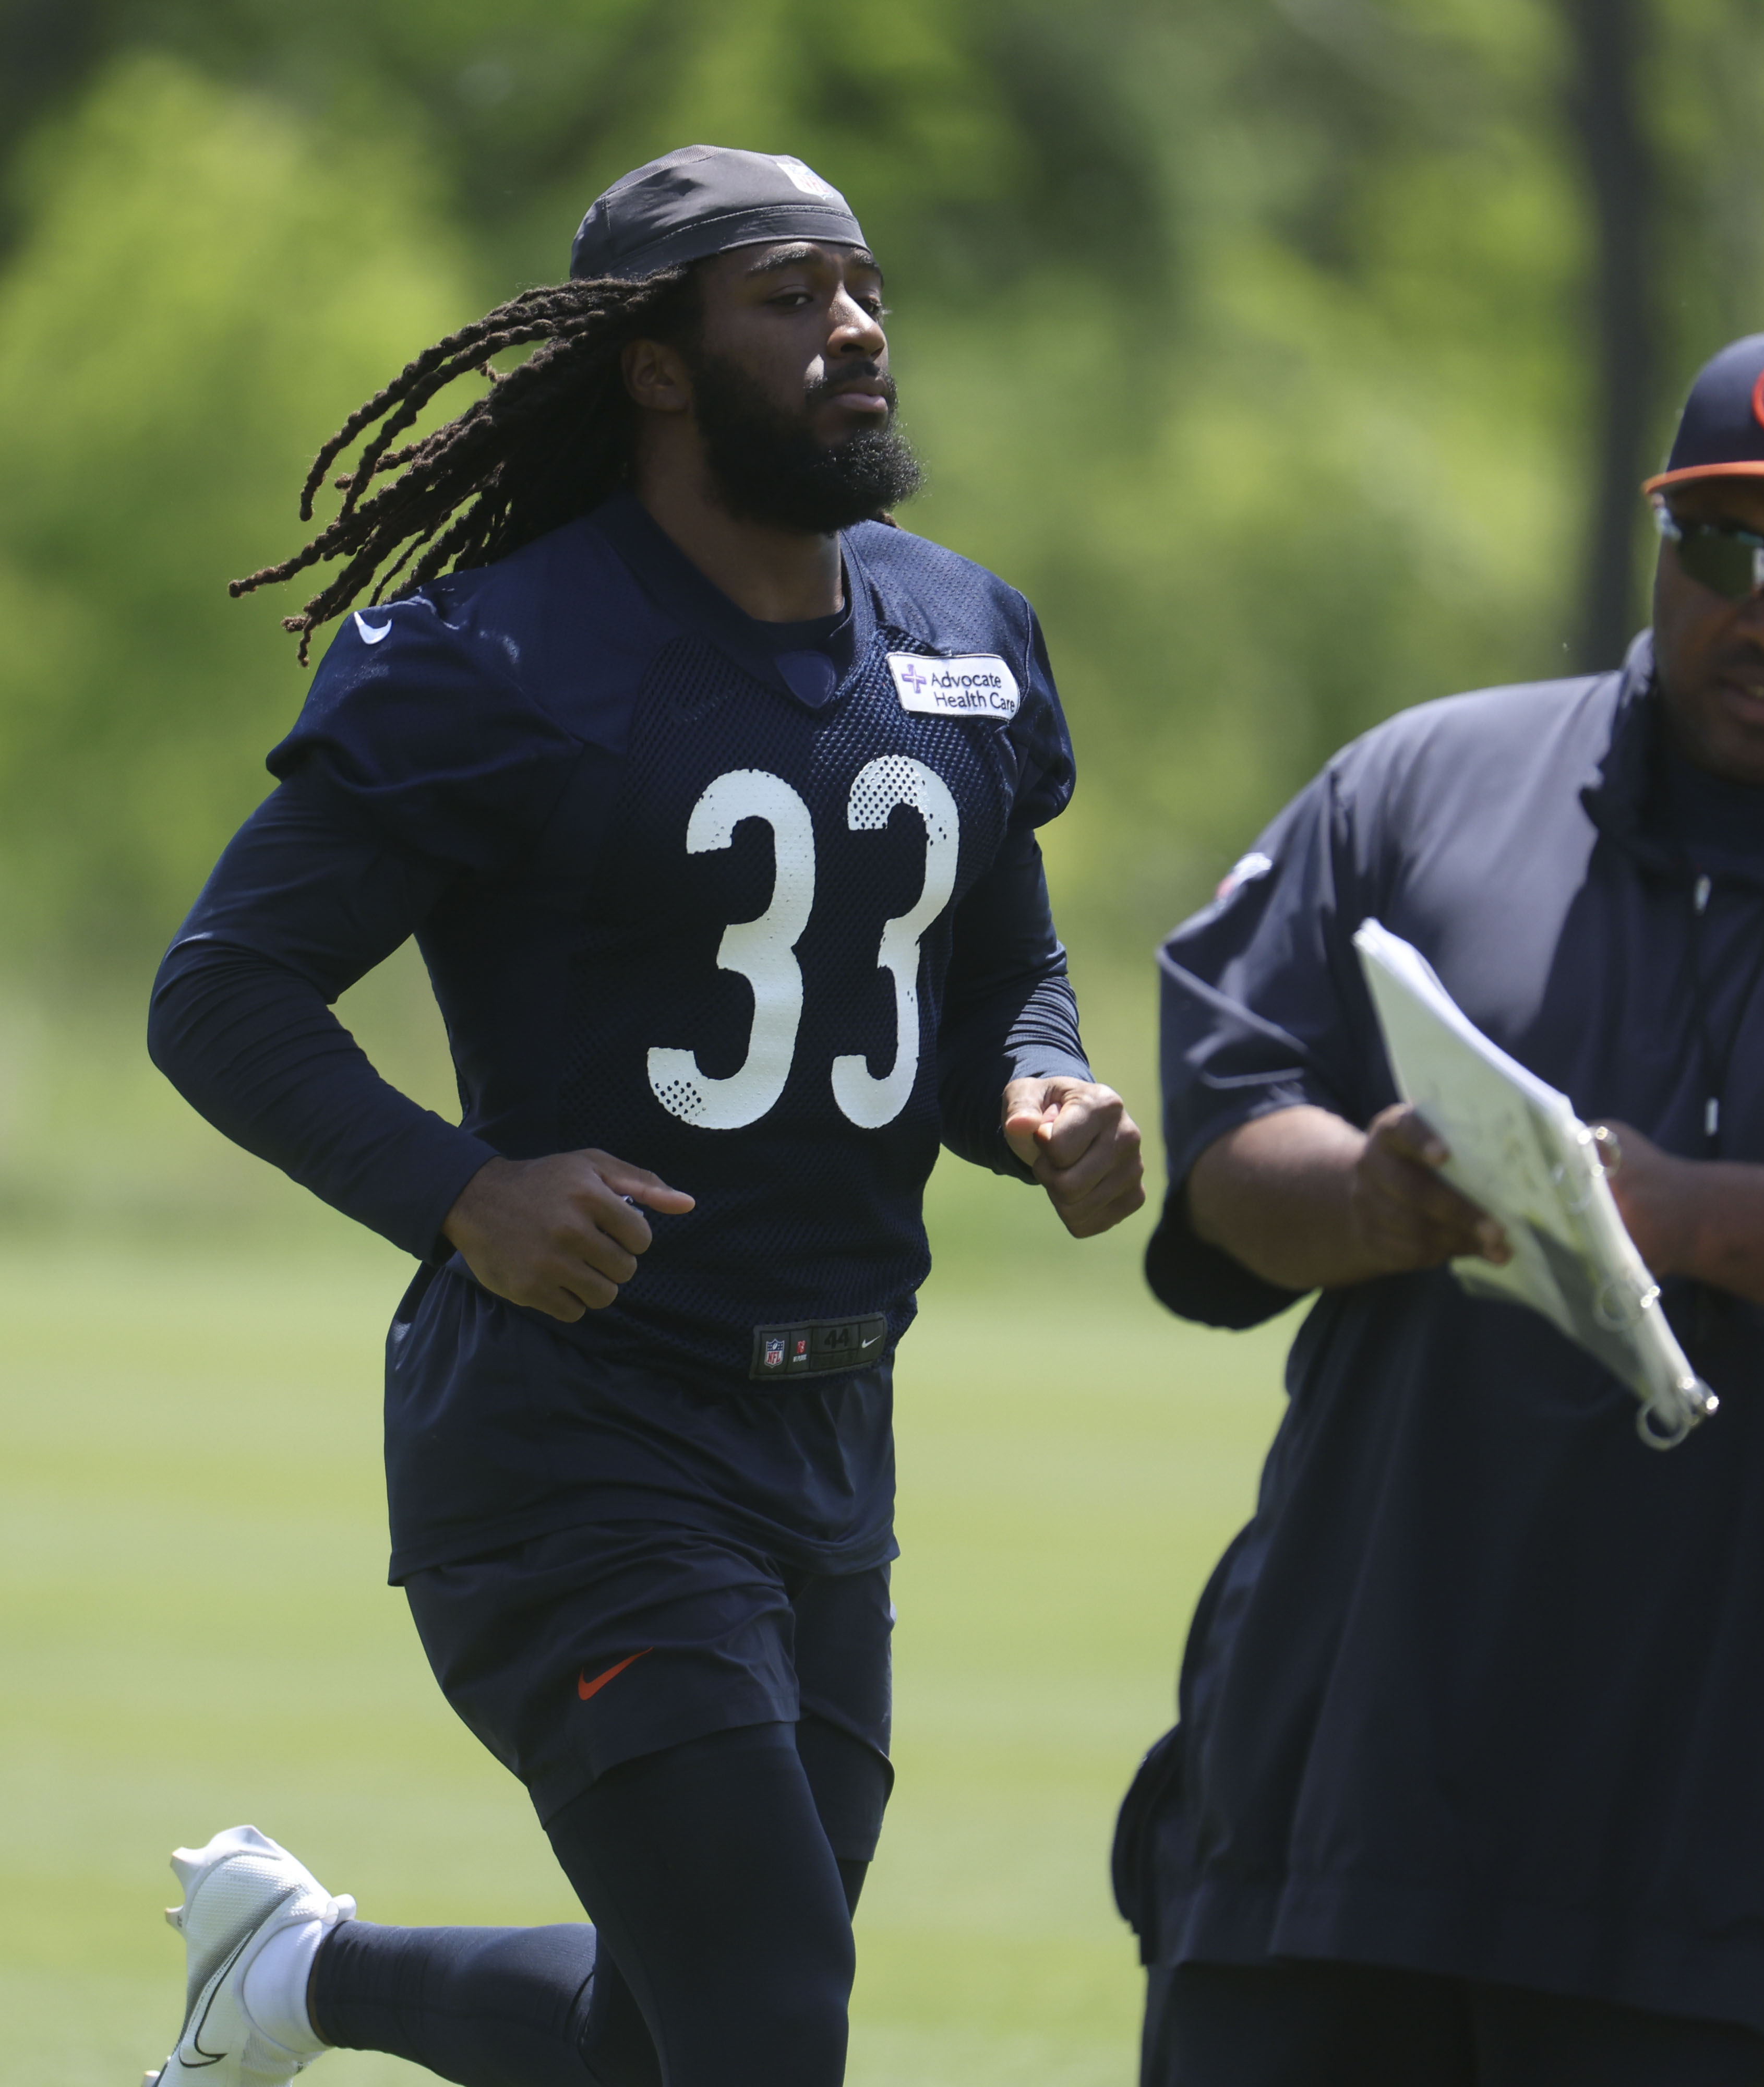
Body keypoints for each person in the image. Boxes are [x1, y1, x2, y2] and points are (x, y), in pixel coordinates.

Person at [141, 144, 1143, 2087]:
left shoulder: (960, 634)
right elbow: (221, 993)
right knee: (769, 2021)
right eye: (786, 295)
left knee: (674, 2027)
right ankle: (296, 1979)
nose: (851, 328)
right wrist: (462, 1191)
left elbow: (987, 954)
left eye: (860, 286)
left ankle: (296, 1978)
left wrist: (1035, 1085)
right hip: (573, 1434)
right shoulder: (500, 661)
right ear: (658, 366)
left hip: (828, 1419)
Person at [1118, 328, 1764, 2085]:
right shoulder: (1419, 784)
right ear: (1658, 541)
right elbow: (1225, 1152)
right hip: (1347, 1811)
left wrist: (1667, 1212)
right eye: (1725, 551)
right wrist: (1374, 1200)